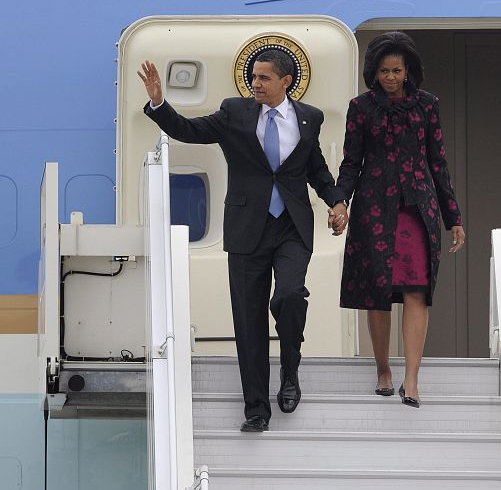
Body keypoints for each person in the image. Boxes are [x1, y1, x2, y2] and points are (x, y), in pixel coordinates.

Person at [139, 51, 348, 432]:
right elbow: (190, 130)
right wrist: (159, 102)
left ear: (286, 82)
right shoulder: (234, 112)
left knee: (288, 295)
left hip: (291, 226)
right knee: (249, 321)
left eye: (264, 78)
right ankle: (256, 411)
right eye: (254, 76)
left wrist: (337, 202)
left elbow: (315, 169)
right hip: (247, 227)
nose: (256, 83)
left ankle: (289, 370)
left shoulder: (309, 117)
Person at [336, 32, 465, 408]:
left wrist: (452, 215)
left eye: (396, 70)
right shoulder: (360, 107)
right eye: (383, 71)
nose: (390, 77)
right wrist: (340, 201)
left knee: (416, 290)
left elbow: (438, 163)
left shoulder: (428, 105)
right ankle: (382, 370)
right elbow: (350, 162)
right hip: (374, 207)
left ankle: (411, 379)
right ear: (372, 72)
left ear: (409, 70)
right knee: (377, 293)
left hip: (417, 208)